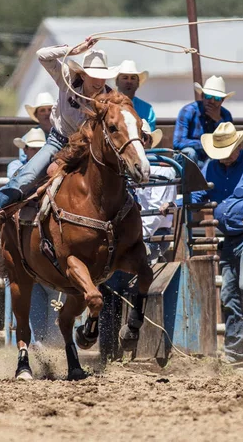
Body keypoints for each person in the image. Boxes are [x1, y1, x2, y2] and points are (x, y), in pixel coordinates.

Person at [0, 38, 118, 253]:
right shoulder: (66, 78)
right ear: (83, 74)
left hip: (88, 150)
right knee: (27, 177)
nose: (98, 81)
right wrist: (74, 50)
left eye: (102, 77)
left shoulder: (111, 99)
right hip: (59, 141)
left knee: (118, 185)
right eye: (94, 75)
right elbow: (42, 55)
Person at [162, 122, 243, 365]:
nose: (224, 156)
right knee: (229, 293)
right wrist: (176, 203)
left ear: (238, 146)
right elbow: (200, 194)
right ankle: (235, 351)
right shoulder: (212, 168)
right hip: (231, 237)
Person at [99, 120, 176, 361]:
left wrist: (132, 236)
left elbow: (156, 215)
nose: (141, 142)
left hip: (146, 239)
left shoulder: (165, 170)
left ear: (149, 142)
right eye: (138, 137)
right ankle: (108, 351)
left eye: (144, 138)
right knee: (106, 289)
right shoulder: (118, 172)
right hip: (125, 239)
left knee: (117, 284)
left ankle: (124, 346)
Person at [6, 126, 59, 346]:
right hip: (27, 243)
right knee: (37, 317)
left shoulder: (53, 171)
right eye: (33, 149)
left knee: (54, 319)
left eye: (40, 149)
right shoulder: (18, 169)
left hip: (40, 247)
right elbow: (19, 188)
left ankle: (51, 352)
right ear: (25, 150)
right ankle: (40, 352)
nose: (36, 153)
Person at [173, 75, 234, 169]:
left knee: (217, 158)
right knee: (189, 153)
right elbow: (178, 142)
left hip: (213, 160)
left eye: (217, 98)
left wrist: (219, 121)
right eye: (209, 96)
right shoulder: (188, 111)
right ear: (202, 96)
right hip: (191, 159)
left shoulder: (225, 115)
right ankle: (190, 183)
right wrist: (206, 144)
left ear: (222, 100)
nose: (212, 101)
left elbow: (230, 143)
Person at [115, 60, 156, 130]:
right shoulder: (108, 105)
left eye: (133, 78)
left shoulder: (147, 110)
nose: (129, 81)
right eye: (125, 78)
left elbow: (150, 137)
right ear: (117, 82)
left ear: (138, 83)